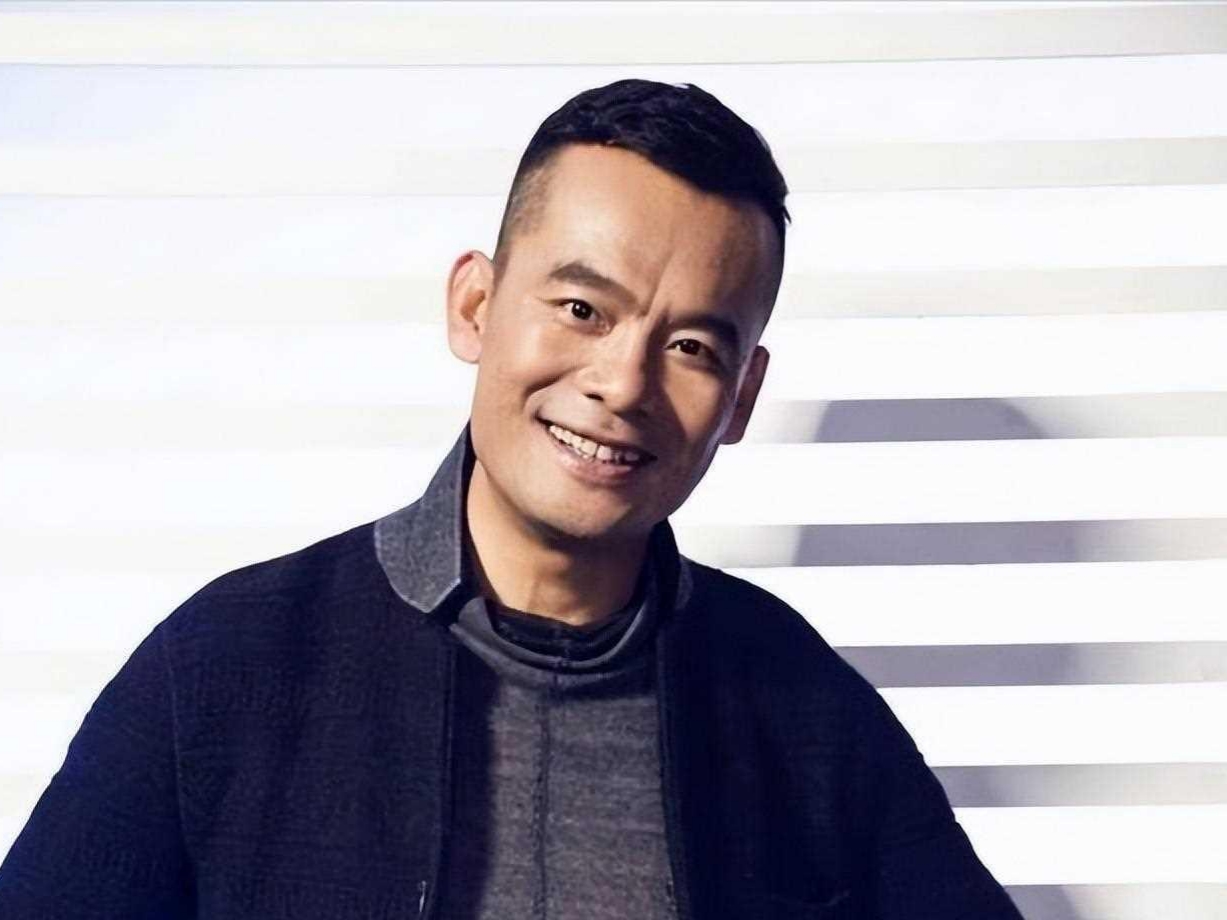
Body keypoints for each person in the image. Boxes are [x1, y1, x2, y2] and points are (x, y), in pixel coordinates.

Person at [0, 79, 1023, 920]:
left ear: (741, 397)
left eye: (690, 347)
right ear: (475, 306)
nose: (622, 383)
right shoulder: (228, 663)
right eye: (581, 308)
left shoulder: (801, 709)